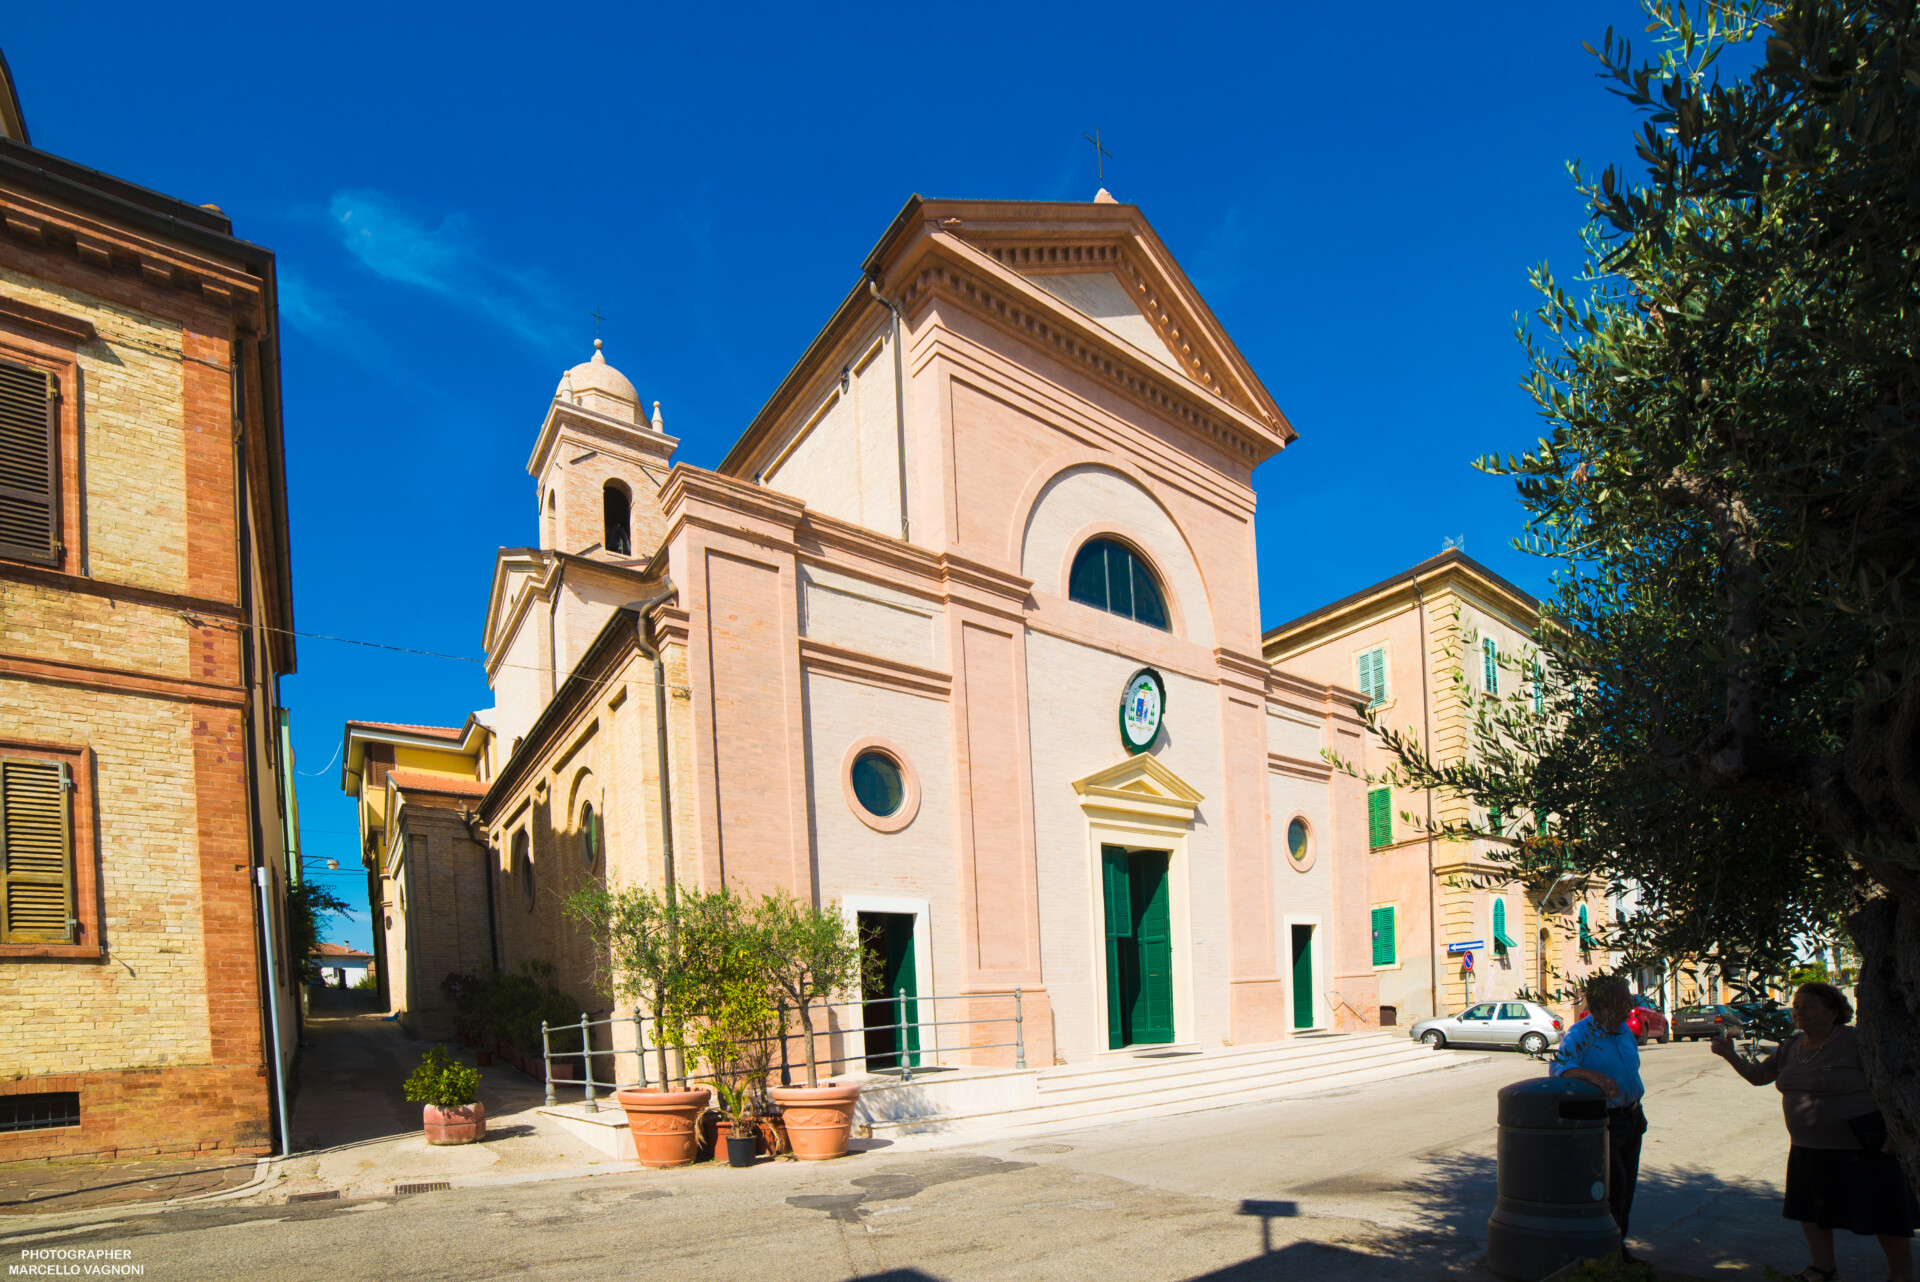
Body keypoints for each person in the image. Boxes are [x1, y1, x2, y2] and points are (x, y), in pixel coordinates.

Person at [1711, 981, 1916, 1282]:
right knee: (1811, 1211)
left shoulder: (1856, 1042)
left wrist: (1897, 1129)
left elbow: (1892, 1083)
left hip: (1864, 1146)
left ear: (1834, 1012)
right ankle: (1823, 1269)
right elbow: (1760, 1077)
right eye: (1796, 1006)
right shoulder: (1791, 1046)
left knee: (1885, 1214)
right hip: (1807, 1146)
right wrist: (1731, 1056)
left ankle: (1901, 1275)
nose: (1799, 1011)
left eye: (1808, 1005)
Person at [1550, 973, 1649, 1259]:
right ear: (1606, 1005)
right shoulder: (1581, 1034)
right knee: (1614, 1186)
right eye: (1625, 1000)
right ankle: (1606, 1253)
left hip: (1632, 1117)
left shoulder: (1623, 1030)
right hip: (1606, 1123)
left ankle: (1618, 1247)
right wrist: (1593, 1076)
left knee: (1627, 1187)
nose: (1630, 1005)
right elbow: (1559, 1069)